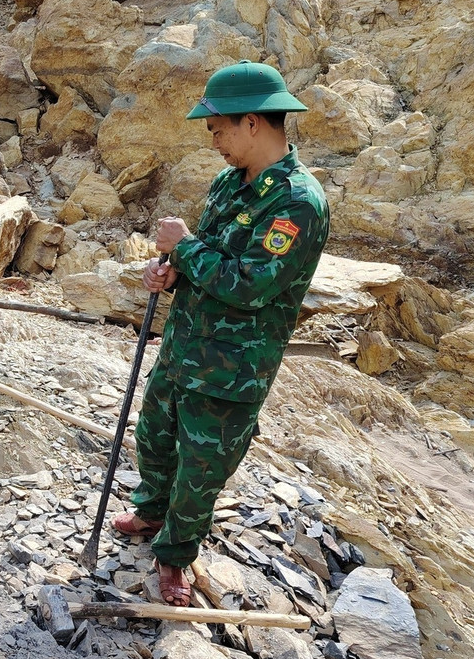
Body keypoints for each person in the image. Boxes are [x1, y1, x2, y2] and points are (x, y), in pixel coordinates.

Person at [110, 61, 330, 606]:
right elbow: (209, 255)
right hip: (185, 346)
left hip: (232, 367)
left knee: (201, 466)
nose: (214, 142)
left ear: (252, 123)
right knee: (156, 436)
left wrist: (184, 247)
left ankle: (176, 556)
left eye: (218, 129)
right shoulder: (231, 185)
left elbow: (252, 284)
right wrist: (169, 271)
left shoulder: (297, 202)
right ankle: (151, 510)